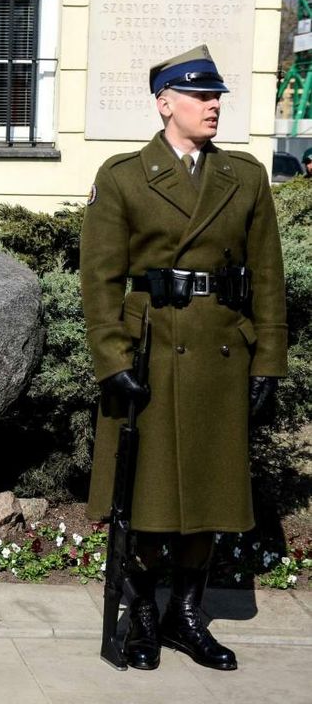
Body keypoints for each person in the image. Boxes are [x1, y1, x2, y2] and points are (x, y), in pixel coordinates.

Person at [80, 45, 287, 671]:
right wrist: (113, 358)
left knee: (210, 494)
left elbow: (269, 278)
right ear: (165, 103)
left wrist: (269, 360)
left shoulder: (244, 178)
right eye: (201, 96)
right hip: (151, 354)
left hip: (221, 356)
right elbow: (101, 281)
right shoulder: (122, 177)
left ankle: (185, 617)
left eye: (217, 95)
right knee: (146, 496)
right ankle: (141, 614)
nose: (214, 105)